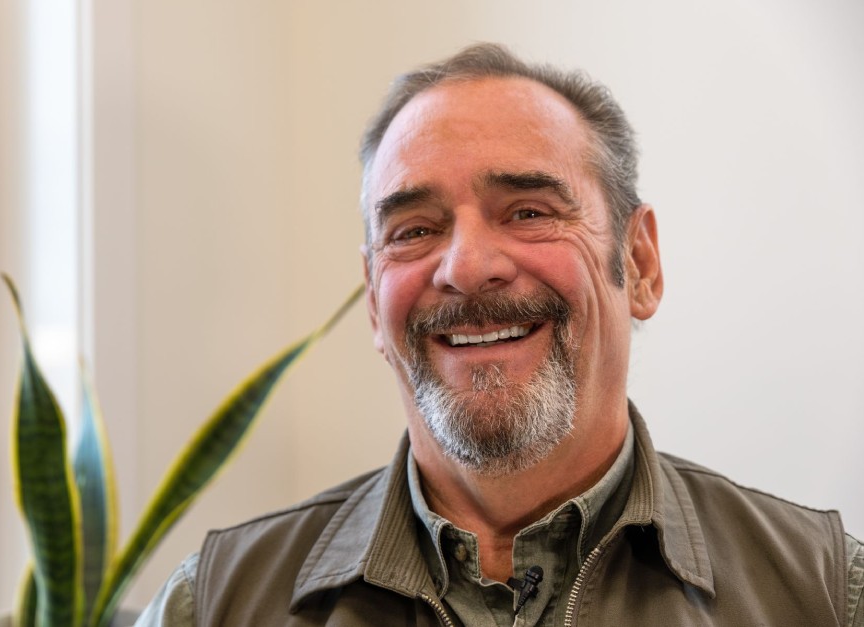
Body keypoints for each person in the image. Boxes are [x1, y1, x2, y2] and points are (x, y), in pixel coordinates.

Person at [137, 43, 863, 626]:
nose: (467, 267)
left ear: (638, 263)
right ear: (372, 303)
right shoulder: (214, 604)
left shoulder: (826, 594)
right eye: (414, 230)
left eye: (527, 211)